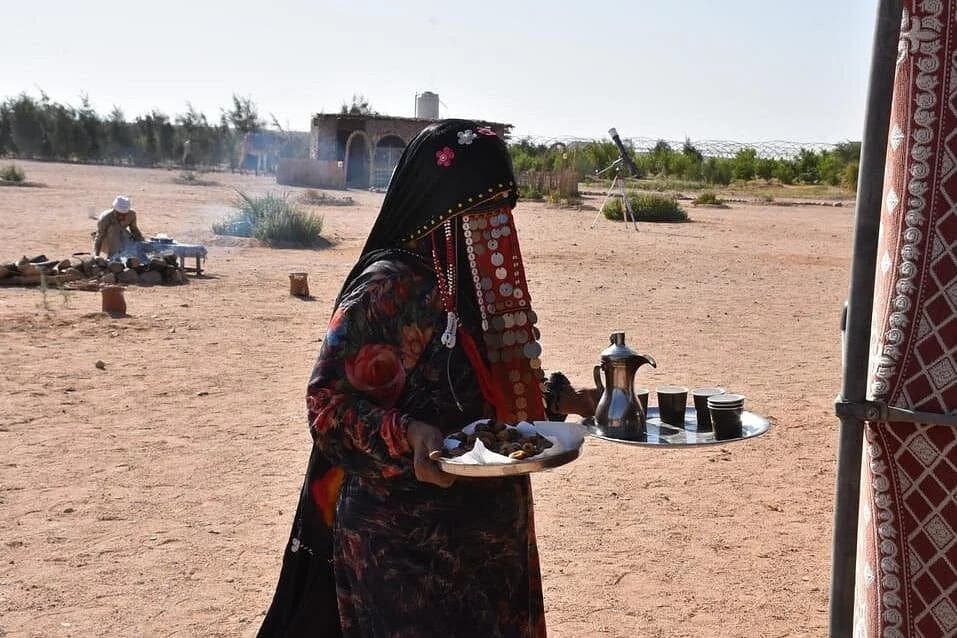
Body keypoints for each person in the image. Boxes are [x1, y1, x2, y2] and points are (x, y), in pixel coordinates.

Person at [258, 119, 596, 638]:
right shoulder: (390, 291)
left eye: (502, 209)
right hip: (405, 553)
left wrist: (563, 400)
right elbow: (330, 408)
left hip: (490, 549)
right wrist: (409, 434)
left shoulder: (476, 287)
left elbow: (484, 392)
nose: (496, 226)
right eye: (481, 210)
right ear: (443, 208)